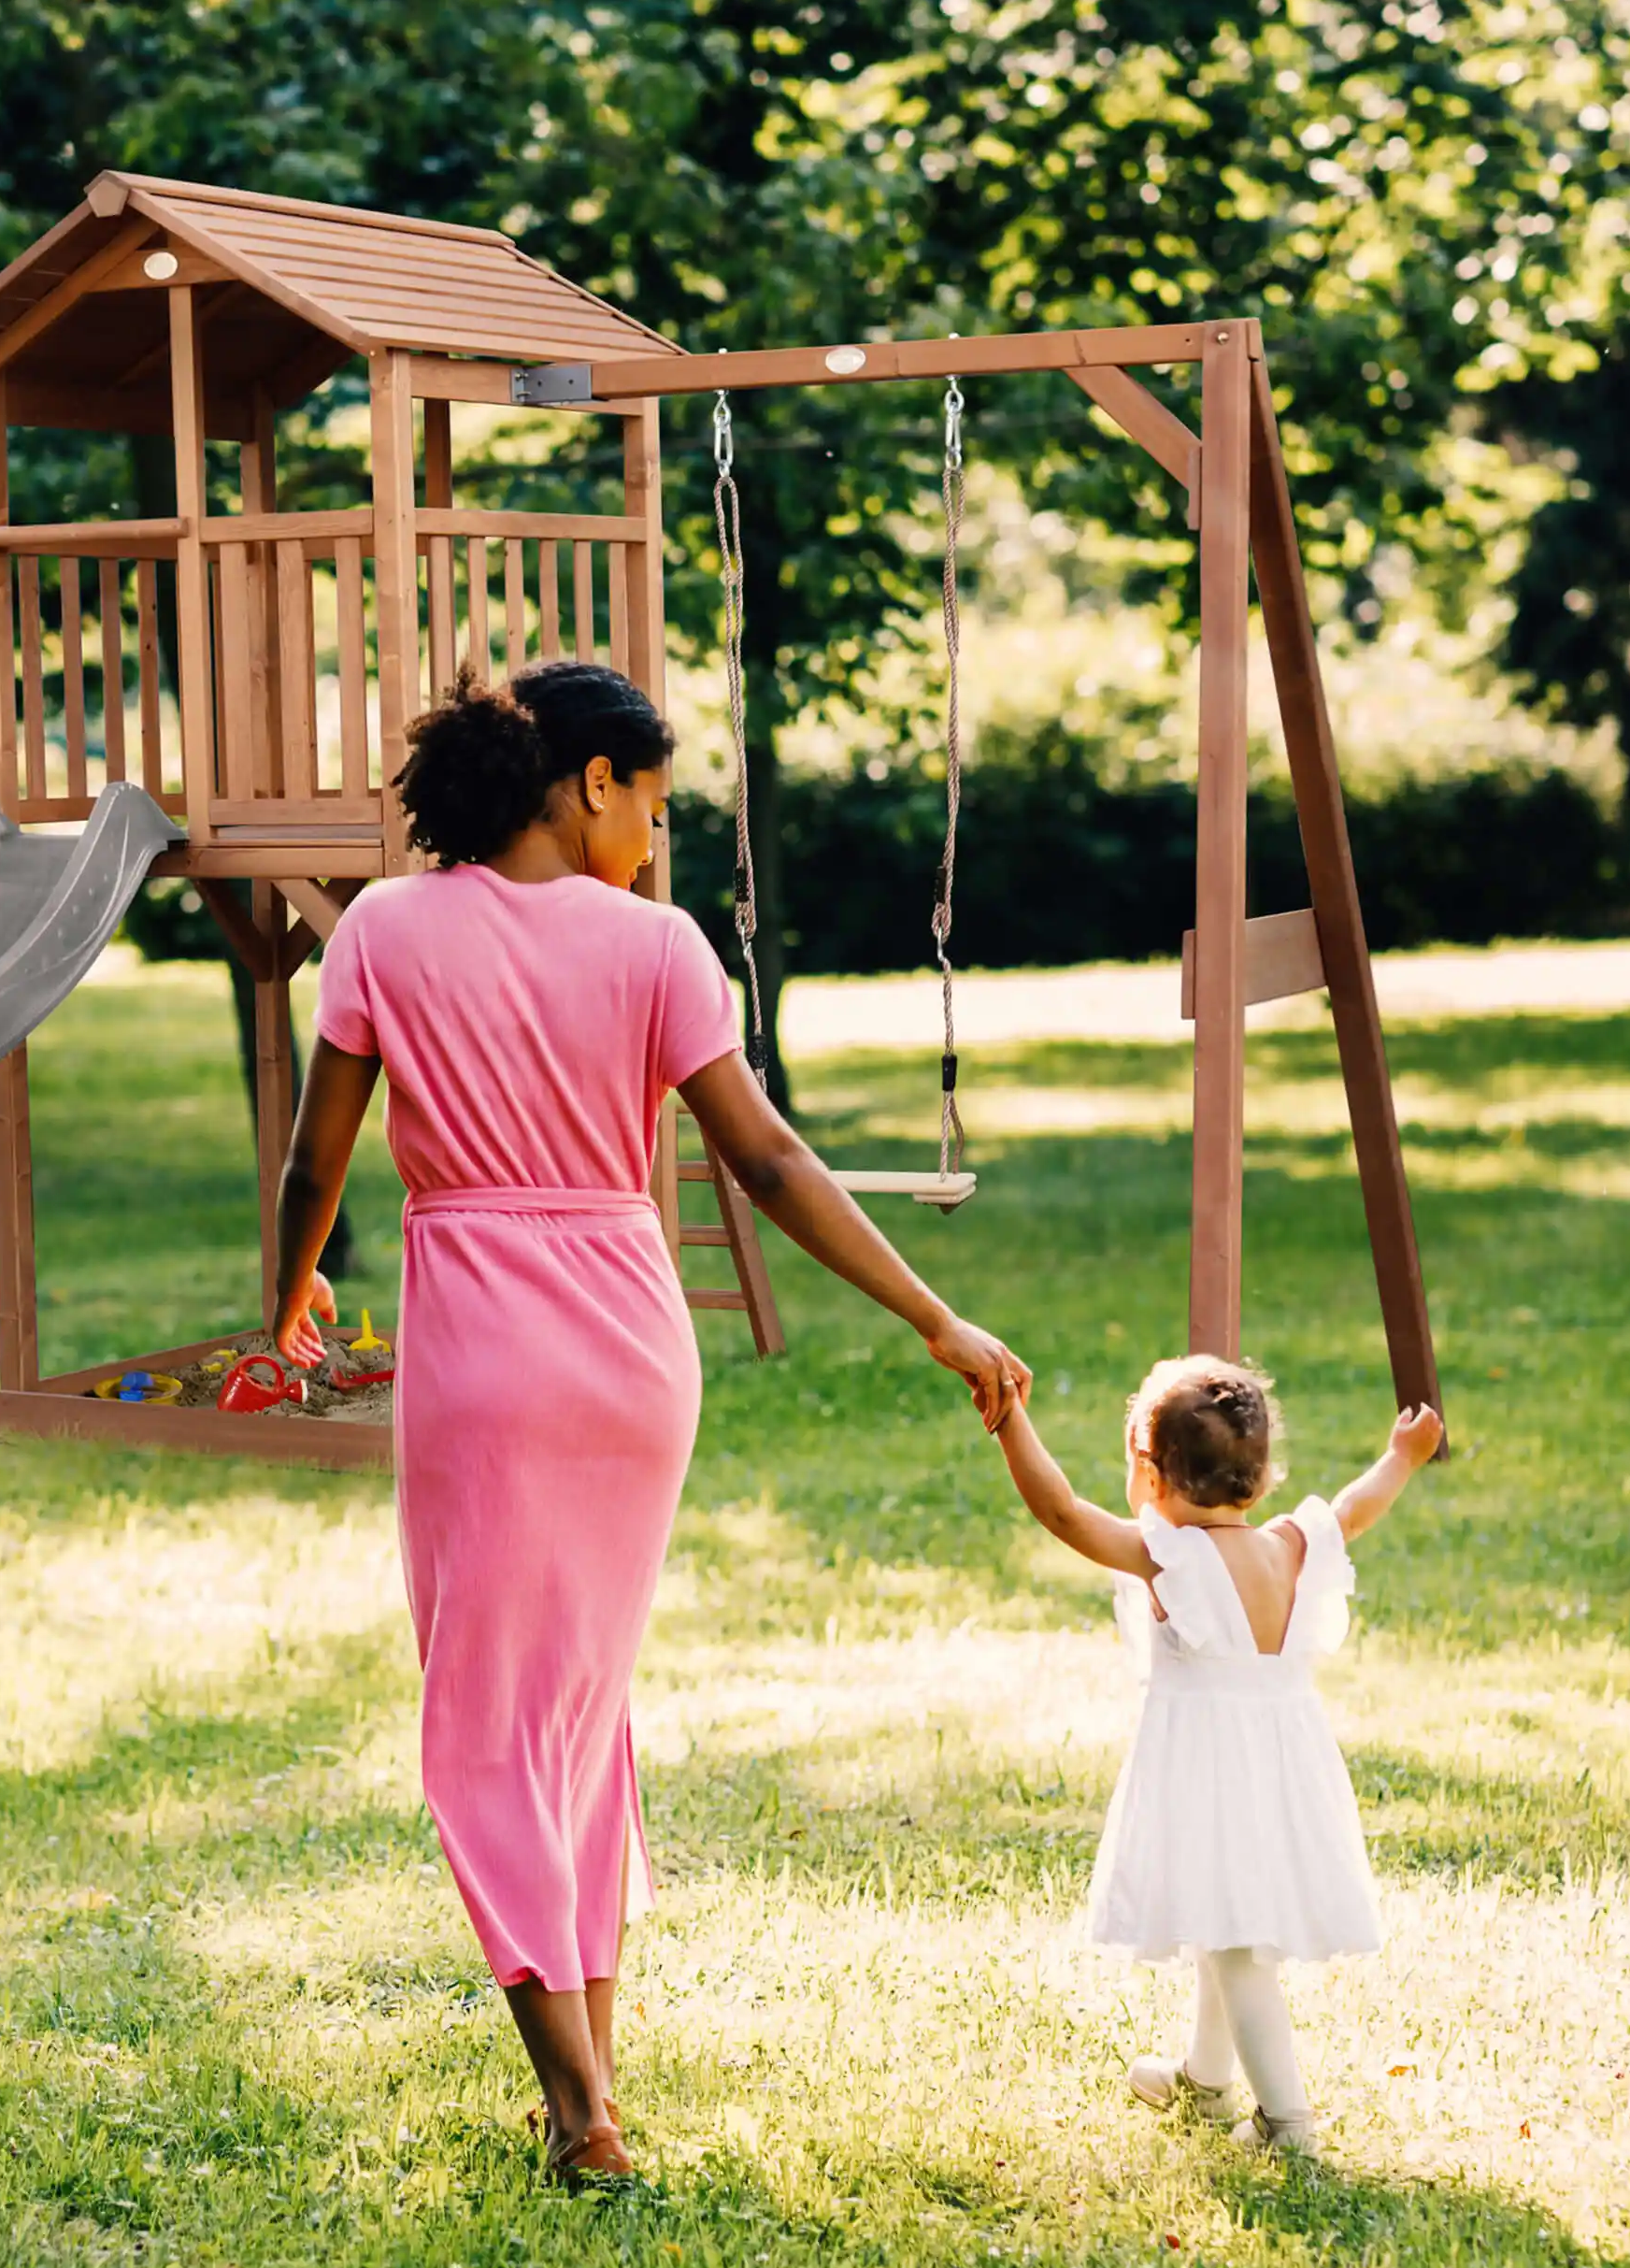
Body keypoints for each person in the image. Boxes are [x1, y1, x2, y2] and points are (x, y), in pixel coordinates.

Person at [267, 661, 1029, 2189]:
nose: (657, 840)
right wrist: (932, 1314)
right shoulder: (659, 949)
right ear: (590, 782)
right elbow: (767, 1163)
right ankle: (594, 2079)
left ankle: (579, 2111)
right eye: (655, 804)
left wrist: (283, 1304)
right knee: (577, 1716)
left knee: (487, 1726)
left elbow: (315, 1163)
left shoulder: (383, 933)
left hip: (482, 1350)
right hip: (630, 1350)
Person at [989, 1356, 1445, 2155]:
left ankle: (1286, 2122)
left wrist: (1009, 1419)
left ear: (1153, 1474)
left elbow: (1061, 1512)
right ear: (1261, 1477)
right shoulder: (1292, 1545)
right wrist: (1401, 1458)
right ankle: (1204, 2080)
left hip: (1210, 1773)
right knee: (1220, 1917)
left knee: (1237, 1947)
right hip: (1282, 1766)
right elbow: (1355, 1507)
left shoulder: (1171, 1559)